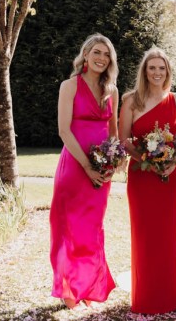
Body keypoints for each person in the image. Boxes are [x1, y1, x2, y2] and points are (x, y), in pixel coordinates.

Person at [50, 33, 120, 309]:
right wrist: (87, 166)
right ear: (86, 56)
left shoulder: (111, 91)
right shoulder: (69, 86)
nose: (102, 58)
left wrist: (111, 163)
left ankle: (88, 285)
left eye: (106, 54)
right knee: (67, 226)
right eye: (97, 53)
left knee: (92, 228)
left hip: (101, 169)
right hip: (75, 166)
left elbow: (113, 131)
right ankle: (68, 288)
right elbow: (64, 130)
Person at [118, 48, 176, 314]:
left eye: (161, 68)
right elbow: (124, 140)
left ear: (167, 72)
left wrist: (171, 162)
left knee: (168, 236)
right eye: (152, 68)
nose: (157, 73)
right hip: (142, 177)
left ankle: (168, 298)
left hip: (169, 177)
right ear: (144, 72)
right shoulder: (130, 101)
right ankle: (145, 298)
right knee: (145, 236)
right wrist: (147, 159)